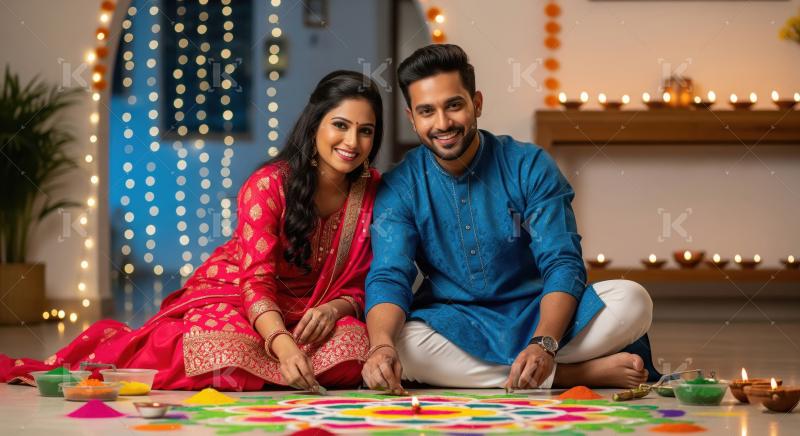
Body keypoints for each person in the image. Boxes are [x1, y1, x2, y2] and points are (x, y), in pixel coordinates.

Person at [1, 70, 383, 391]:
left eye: (365, 131)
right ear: (315, 122)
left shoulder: (373, 191)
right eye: (340, 125)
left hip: (315, 309)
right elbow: (256, 282)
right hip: (241, 294)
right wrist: (282, 345)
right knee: (215, 355)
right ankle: (274, 366)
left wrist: (334, 309)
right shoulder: (269, 185)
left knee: (353, 353)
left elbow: (362, 279)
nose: (352, 142)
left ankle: (278, 368)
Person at [362, 44, 660, 393]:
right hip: (458, 323)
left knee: (633, 300)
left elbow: (562, 262)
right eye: (427, 111)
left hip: (543, 314)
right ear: (412, 118)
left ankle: (534, 366)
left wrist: (545, 342)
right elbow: (389, 275)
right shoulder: (400, 187)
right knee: (401, 345)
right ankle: (570, 375)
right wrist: (380, 346)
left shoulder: (528, 165)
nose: (442, 124)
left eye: (454, 105)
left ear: (477, 103)